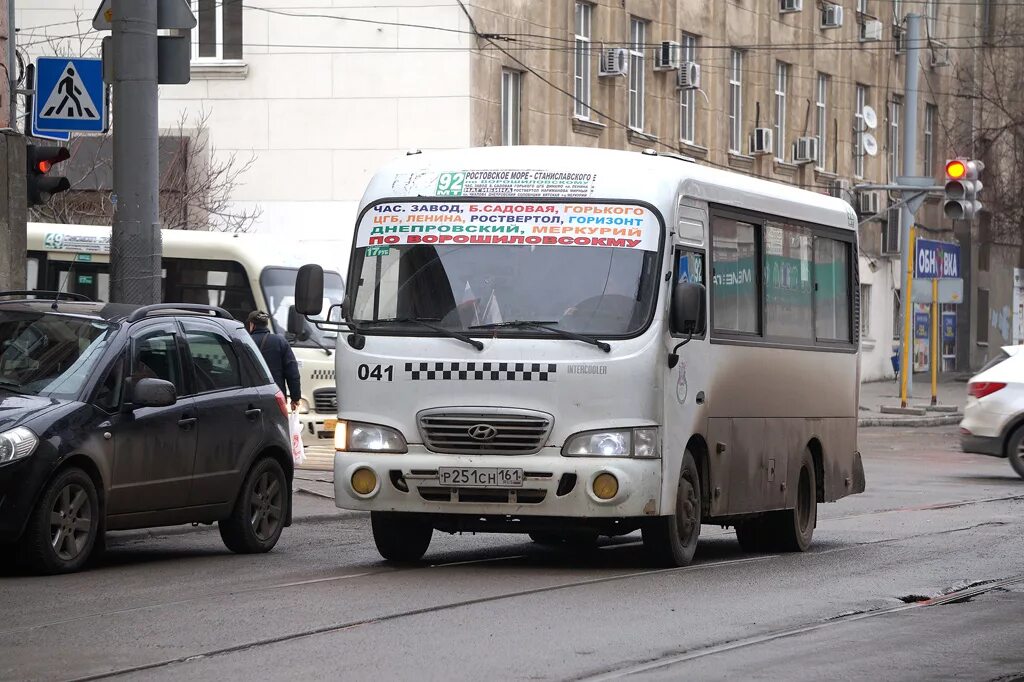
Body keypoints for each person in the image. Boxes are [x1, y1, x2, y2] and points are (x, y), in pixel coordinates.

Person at [247, 311, 301, 411]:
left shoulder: (245, 341)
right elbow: (293, 373)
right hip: (276, 396)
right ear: (266, 324)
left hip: (249, 399)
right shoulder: (280, 341)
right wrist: (295, 398)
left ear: (252, 324)